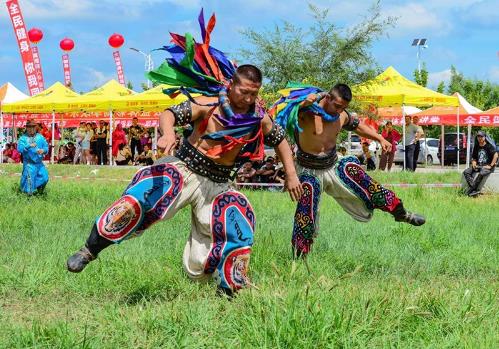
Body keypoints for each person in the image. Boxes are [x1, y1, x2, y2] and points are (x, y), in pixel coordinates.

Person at [66, 12, 302, 296]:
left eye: (254, 94)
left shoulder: (258, 117)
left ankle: (228, 292)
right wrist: (167, 134)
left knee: (238, 225)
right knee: (139, 201)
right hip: (184, 169)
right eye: (243, 92)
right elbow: (170, 113)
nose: (248, 99)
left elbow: (281, 141)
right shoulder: (209, 104)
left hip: (218, 183)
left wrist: (290, 174)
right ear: (231, 85)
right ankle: (89, 250)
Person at [272, 83, 425, 257]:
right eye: (337, 106)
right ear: (328, 98)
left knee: (366, 181)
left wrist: (380, 138)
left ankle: (401, 213)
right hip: (308, 170)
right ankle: (299, 259)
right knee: (305, 214)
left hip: (333, 164)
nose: (339, 111)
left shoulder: (341, 116)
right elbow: (282, 117)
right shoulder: (306, 112)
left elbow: (359, 126)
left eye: (343, 108)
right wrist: (302, 104)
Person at [17, 120, 49, 195]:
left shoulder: (40, 137)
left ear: (36, 127)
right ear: (26, 128)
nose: (31, 129)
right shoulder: (23, 138)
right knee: (29, 181)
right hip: (29, 163)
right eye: (29, 127)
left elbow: (46, 147)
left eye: (33, 127)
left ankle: (39, 192)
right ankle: (28, 197)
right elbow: (20, 149)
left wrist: (43, 150)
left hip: (39, 163)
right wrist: (28, 146)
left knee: (45, 178)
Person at [462, 131, 498, 197]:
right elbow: (474, 157)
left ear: (484, 137)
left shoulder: (489, 146)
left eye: (481, 136)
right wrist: (473, 162)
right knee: (466, 172)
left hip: (487, 167)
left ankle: (470, 191)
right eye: (478, 136)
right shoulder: (476, 146)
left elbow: (496, 155)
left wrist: (490, 166)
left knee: (481, 173)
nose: (480, 138)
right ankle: (474, 189)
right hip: (479, 166)